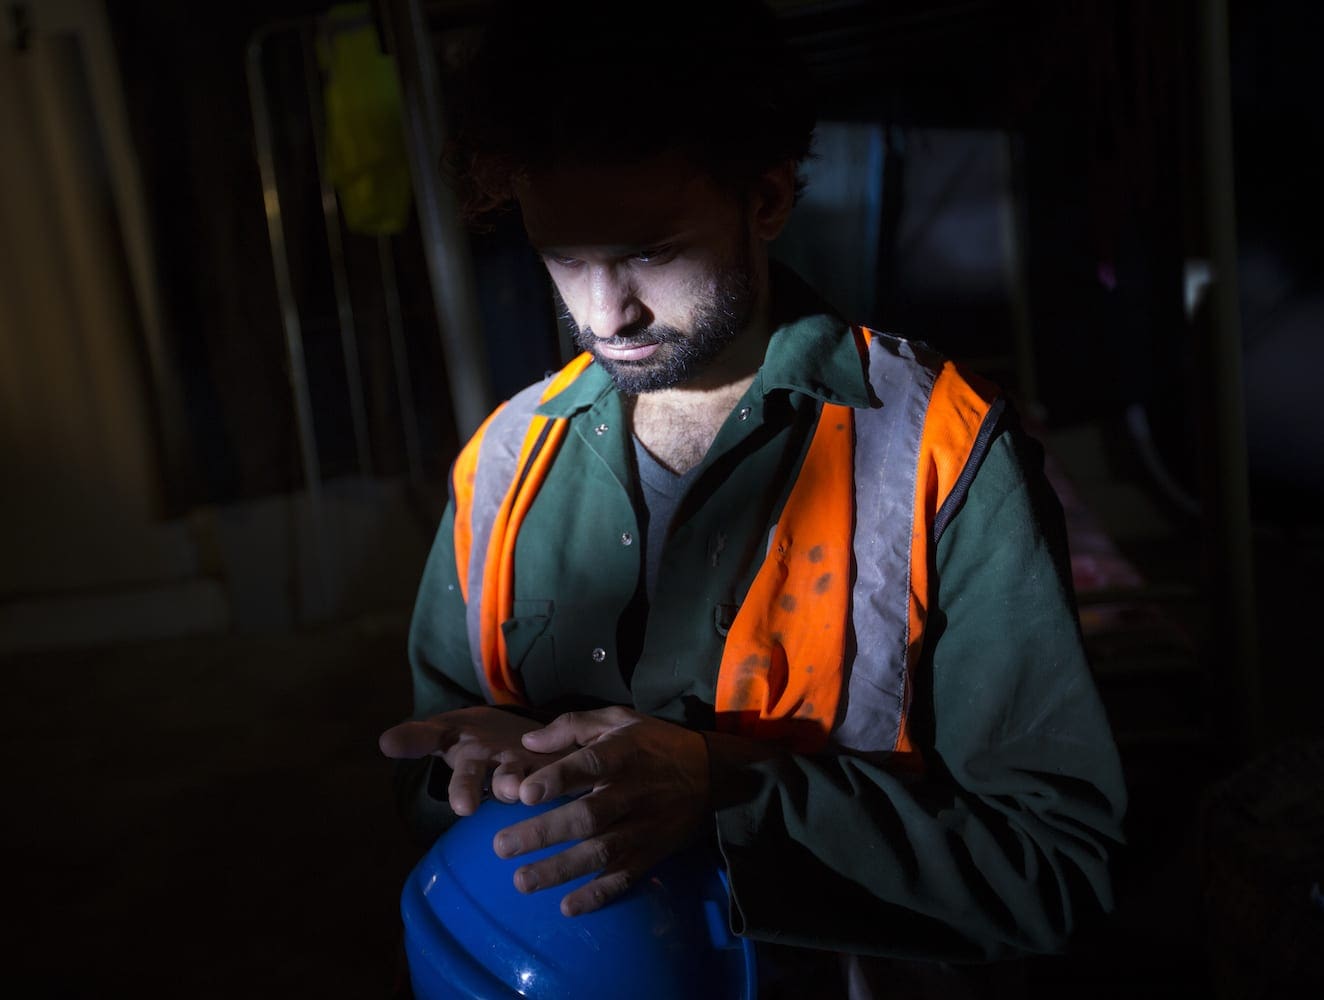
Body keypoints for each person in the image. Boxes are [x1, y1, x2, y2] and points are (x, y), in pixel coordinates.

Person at [380, 1, 1125, 994]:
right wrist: (485, 777)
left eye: (650, 251)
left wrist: (728, 791)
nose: (606, 313)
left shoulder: (943, 450)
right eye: (565, 256)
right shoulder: (502, 467)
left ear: (766, 198)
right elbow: (432, 790)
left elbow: (1057, 873)